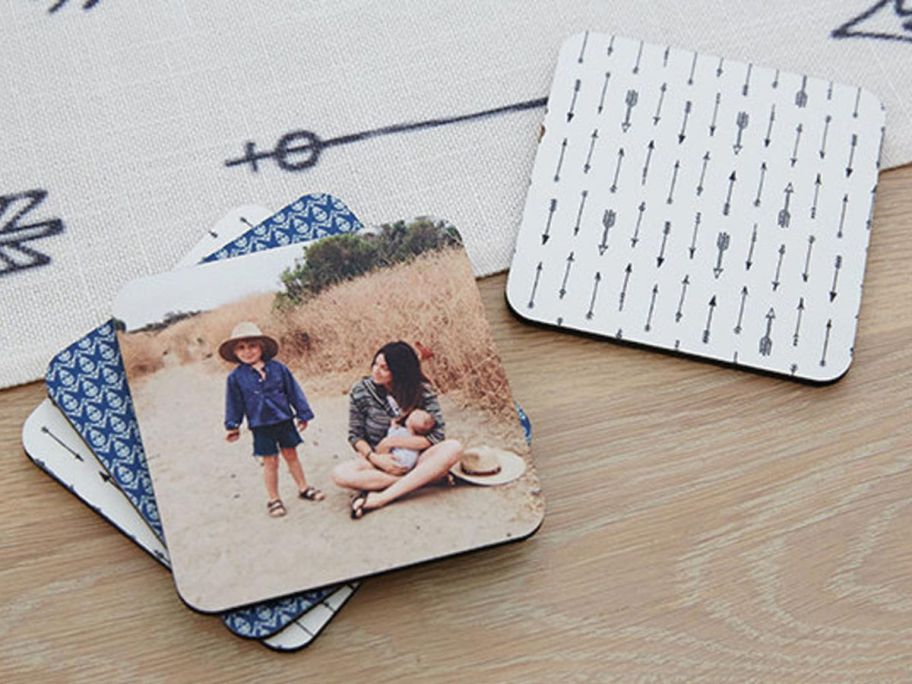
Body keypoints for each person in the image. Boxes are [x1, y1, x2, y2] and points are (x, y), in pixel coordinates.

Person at [331, 341, 463, 518]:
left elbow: (436, 437)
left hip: (417, 457)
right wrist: (376, 458)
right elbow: (355, 436)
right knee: (340, 474)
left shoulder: (422, 390)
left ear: (400, 371)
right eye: (375, 364)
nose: (376, 371)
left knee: (453, 447)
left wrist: (391, 441)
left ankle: (381, 497)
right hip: (381, 459)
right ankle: (426, 479)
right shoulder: (361, 390)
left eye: (384, 368)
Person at [220, 321, 324, 518]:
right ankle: (274, 499)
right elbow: (234, 404)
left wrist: (303, 413)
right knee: (270, 461)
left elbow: (293, 391)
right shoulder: (235, 378)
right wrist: (232, 426)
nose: (247, 351)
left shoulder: (278, 369)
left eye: (252, 346)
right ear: (235, 353)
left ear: (262, 347)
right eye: (241, 348)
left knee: (291, 455)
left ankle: (303, 487)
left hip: (283, 419)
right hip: (260, 425)